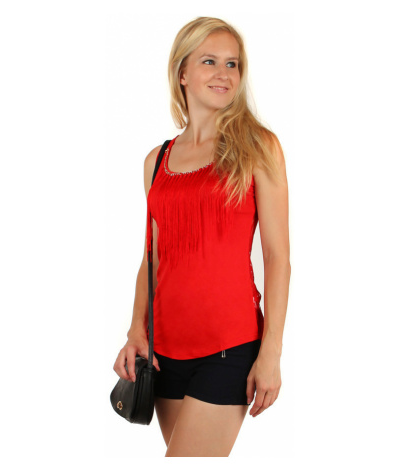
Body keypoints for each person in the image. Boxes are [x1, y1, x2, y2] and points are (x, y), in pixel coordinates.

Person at [113, 16, 290, 457]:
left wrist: (271, 352)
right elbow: (152, 258)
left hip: (229, 347)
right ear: (182, 73)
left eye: (233, 64)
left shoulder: (259, 147)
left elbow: (276, 256)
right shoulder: (157, 160)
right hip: (164, 352)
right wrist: (136, 330)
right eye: (209, 61)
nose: (223, 73)